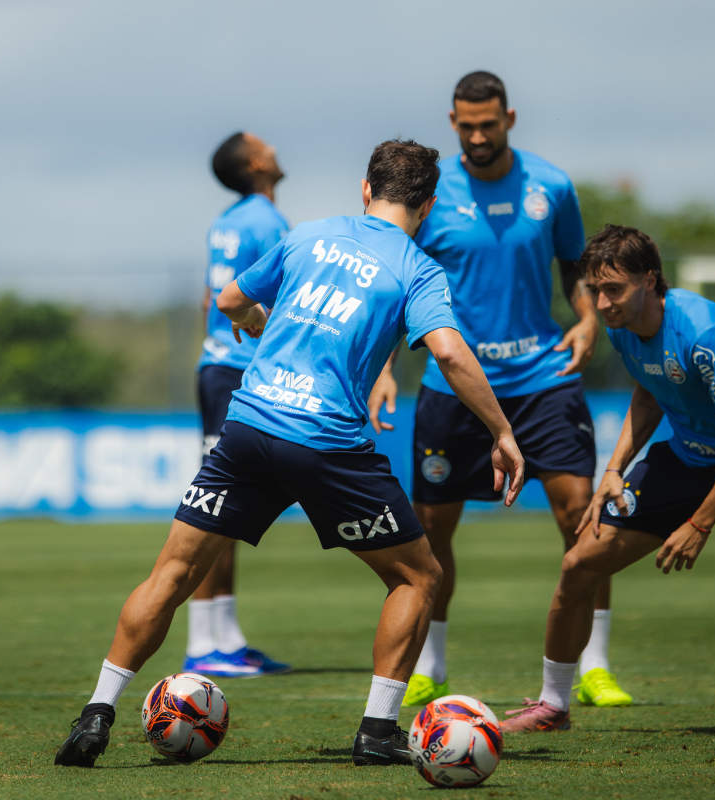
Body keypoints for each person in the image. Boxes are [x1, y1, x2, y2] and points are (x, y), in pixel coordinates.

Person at [54, 139, 524, 768]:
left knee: (170, 574)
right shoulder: (418, 268)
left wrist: (255, 316)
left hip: (247, 428)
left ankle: (95, 715)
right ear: (429, 205)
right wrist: (502, 431)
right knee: (419, 576)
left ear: (365, 189)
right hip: (327, 444)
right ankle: (377, 731)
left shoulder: (309, 236)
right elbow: (448, 352)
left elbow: (226, 301)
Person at [370, 70, 630, 709]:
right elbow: (392, 279)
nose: (478, 136)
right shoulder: (430, 196)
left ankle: (591, 665)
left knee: (581, 518)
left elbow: (577, 265)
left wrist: (589, 317)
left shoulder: (552, 186)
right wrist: (381, 367)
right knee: (430, 533)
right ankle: (430, 665)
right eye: (466, 126)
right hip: (452, 385)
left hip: (543, 379)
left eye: (489, 124)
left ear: (510, 118)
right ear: (452, 122)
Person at [498, 224, 715, 740]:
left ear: (651, 280)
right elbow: (649, 393)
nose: (601, 304)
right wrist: (615, 468)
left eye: (613, 290)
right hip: (686, 456)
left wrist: (700, 522)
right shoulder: (622, 327)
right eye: (594, 291)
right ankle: (553, 703)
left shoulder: (706, 336)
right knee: (579, 563)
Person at [183, 131, 291, 679]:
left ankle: (225, 636)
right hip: (236, 371)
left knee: (228, 503)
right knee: (216, 506)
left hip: (217, 368)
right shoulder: (268, 222)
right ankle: (203, 642)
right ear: (255, 162)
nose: (273, 145)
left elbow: (210, 297)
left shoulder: (227, 221)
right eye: (262, 142)